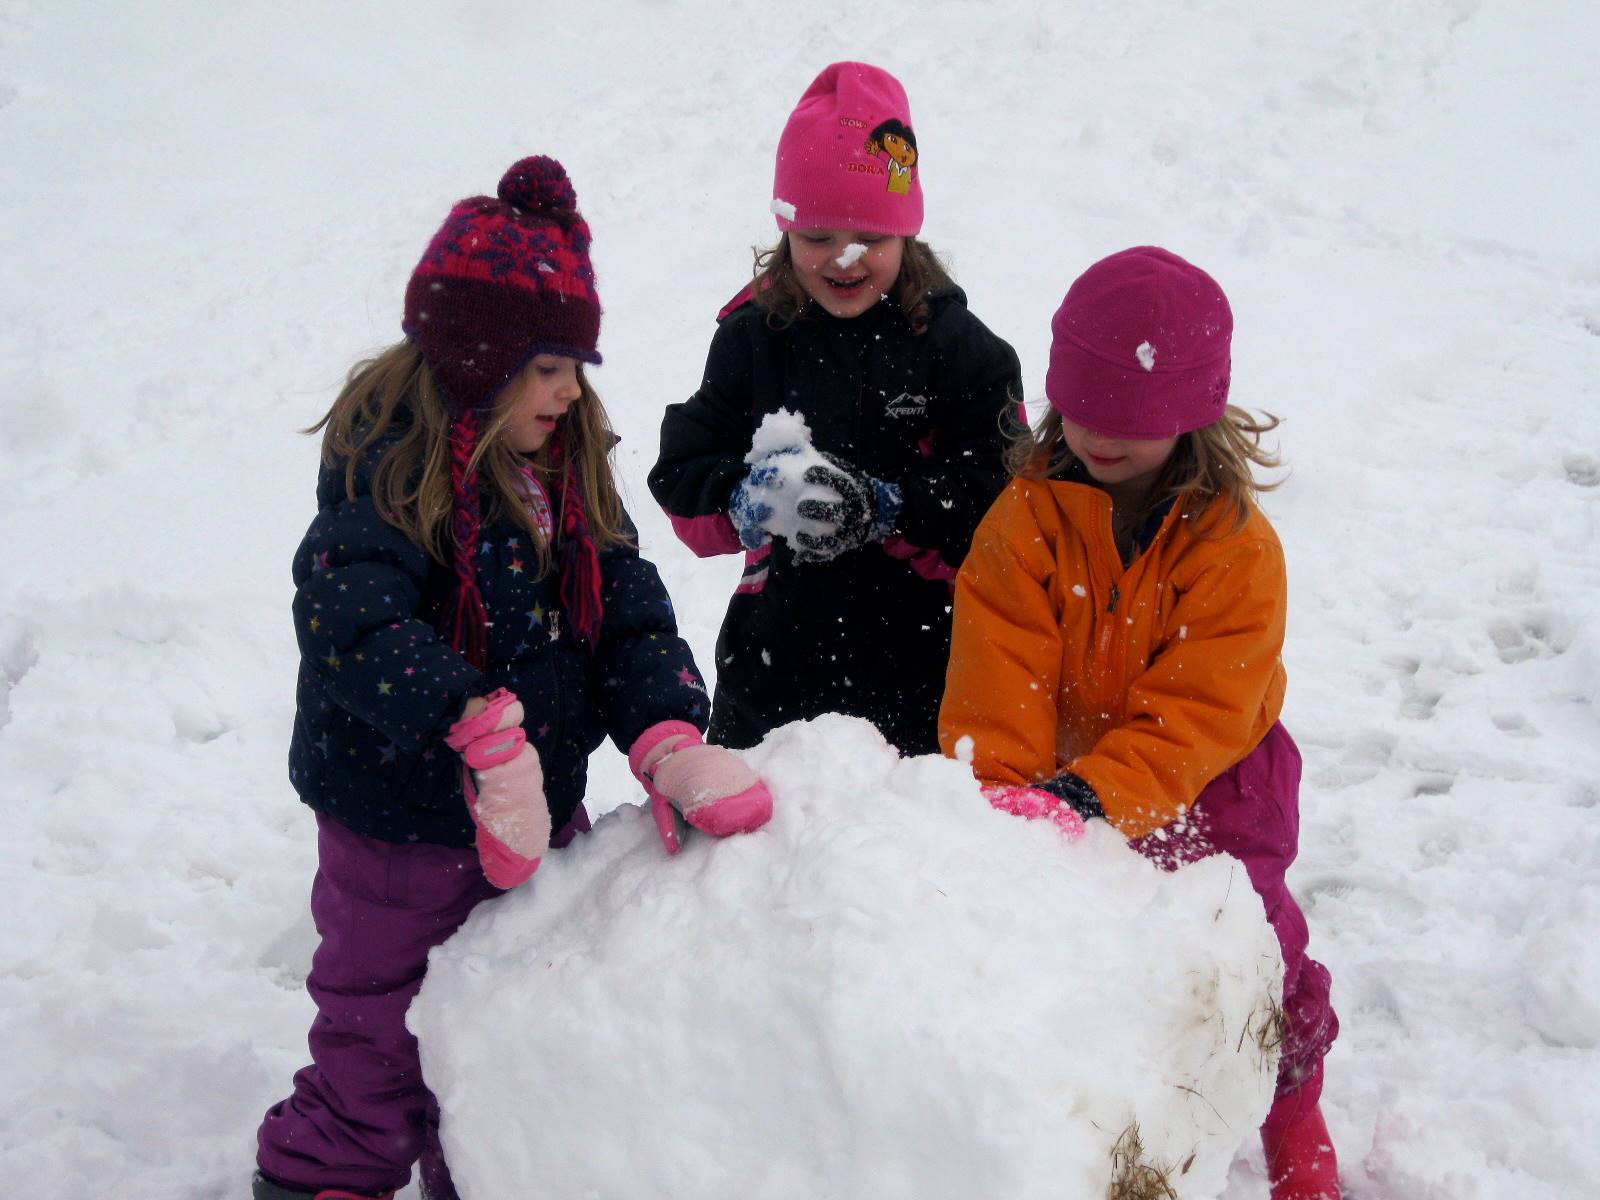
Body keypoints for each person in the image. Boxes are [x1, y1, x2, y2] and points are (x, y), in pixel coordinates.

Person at [252, 156, 772, 1200]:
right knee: (382, 1030)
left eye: (576, 363)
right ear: (476, 361)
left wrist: (666, 732)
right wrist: (475, 727)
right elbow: (350, 620)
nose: (569, 389)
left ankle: (488, 1168)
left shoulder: (566, 470)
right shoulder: (389, 470)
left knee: (495, 1022)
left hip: (534, 816)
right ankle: (325, 1175)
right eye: (545, 366)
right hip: (397, 822)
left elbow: (624, 611)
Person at [939, 247, 1341, 1200]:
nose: (1101, 437)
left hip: (1217, 778)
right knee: (1086, 952)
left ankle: (1292, 1107)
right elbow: (1000, 672)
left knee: (1252, 942)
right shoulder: (1024, 522)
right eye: (1083, 409)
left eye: (1133, 418)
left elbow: (1203, 707)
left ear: (1194, 410)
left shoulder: (1235, 546)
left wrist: (1096, 793)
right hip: (1064, 779)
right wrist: (1004, 794)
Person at [649, 61, 1022, 757]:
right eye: (817, 236)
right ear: (785, 230)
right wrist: (743, 497)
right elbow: (683, 467)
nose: (842, 259)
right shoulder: (752, 339)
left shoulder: (961, 349)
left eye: (869, 238)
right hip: (772, 667)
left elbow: (1002, 501)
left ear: (906, 233)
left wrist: (887, 506)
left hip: (925, 670)